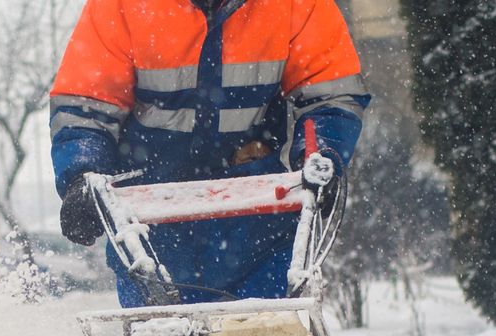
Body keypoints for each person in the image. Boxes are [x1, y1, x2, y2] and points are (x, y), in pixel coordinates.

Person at [50, 0, 370, 307]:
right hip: (148, 234)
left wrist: (321, 155)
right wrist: (82, 173)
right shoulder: (122, 5)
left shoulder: (294, 4)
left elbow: (330, 96)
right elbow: (86, 104)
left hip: (259, 230)